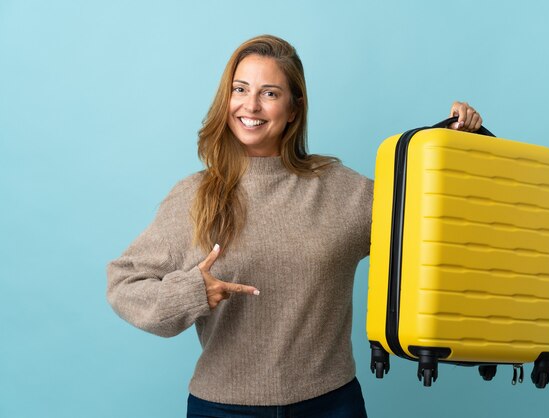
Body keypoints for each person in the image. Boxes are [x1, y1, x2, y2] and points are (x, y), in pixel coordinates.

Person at [106, 34, 483, 418]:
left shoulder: (341, 189)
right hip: (223, 409)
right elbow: (123, 283)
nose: (250, 105)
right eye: (240, 89)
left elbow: (428, 228)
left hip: (331, 404)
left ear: (293, 109)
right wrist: (189, 292)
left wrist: (456, 151)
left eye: (269, 93)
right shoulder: (194, 196)